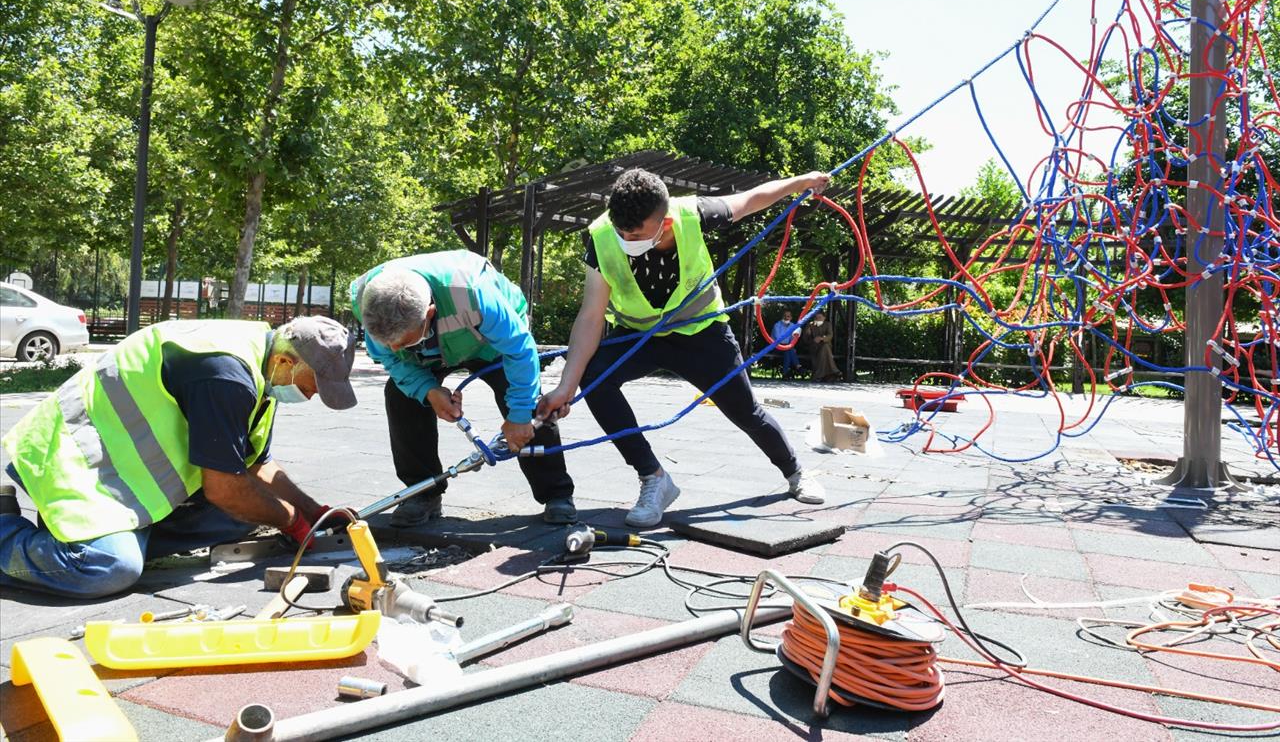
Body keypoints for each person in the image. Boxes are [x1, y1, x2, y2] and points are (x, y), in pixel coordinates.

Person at [537, 167, 829, 528]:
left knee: (745, 412)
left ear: (665, 223)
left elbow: (751, 199)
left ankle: (795, 471)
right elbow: (591, 315)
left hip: (701, 333)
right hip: (639, 335)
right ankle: (654, 478)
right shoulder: (601, 236)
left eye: (635, 233)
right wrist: (566, 387)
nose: (625, 238)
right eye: (620, 230)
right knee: (594, 377)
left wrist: (801, 182)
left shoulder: (694, 214)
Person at [0, 316, 358, 599]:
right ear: (284, 361)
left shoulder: (263, 364)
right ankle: (8, 535)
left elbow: (255, 463)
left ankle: (100, 533)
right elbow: (224, 488)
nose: (309, 397)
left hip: (121, 469)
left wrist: (315, 512)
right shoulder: (227, 375)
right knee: (110, 568)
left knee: (246, 514)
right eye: (311, 387)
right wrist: (292, 520)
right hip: (72, 457)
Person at [351, 252, 576, 526]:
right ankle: (423, 492)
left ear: (429, 313)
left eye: (403, 341)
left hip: (490, 342)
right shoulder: (367, 299)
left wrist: (518, 415)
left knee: (527, 403)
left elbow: (519, 350)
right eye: (389, 343)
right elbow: (391, 360)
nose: (395, 349)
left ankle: (556, 493)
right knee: (399, 396)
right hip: (428, 353)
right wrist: (429, 391)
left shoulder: (469, 292)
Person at [805, 311, 842, 381]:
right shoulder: (810, 325)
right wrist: (808, 333)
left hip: (825, 345)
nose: (818, 319)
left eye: (820, 317)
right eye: (816, 318)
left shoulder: (828, 324)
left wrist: (821, 338)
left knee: (825, 348)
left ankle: (819, 376)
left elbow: (830, 335)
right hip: (814, 346)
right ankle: (834, 371)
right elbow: (806, 339)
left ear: (824, 318)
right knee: (825, 350)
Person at [772, 311, 801, 379]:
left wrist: (789, 345)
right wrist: (789, 345)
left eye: (788, 316)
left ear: (791, 317)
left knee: (788, 351)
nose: (786, 318)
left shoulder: (793, 326)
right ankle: (798, 366)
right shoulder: (777, 325)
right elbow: (779, 339)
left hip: (787, 347)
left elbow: (793, 339)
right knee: (789, 350)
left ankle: (785, 374)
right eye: (784, 316)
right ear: (782, 317)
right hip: (776, 347)